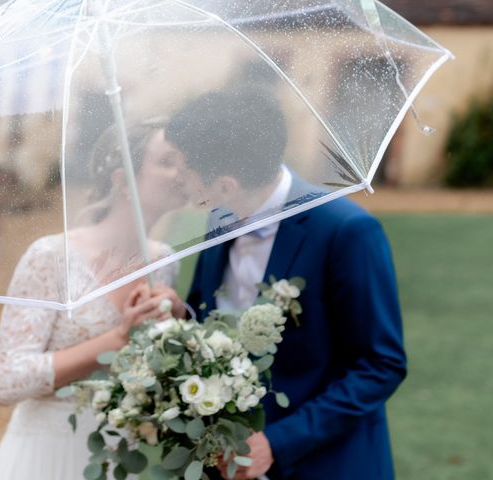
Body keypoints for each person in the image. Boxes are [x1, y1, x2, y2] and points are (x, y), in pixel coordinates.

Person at [165, 88, 407, 479]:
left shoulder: (347, 232)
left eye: (182, 167)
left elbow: (381, 364)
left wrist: (278, 442)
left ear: (226, 185)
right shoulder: (217, 220)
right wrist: (181, 315)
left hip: (326, 464)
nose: (176, 177)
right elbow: (210, 314)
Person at [0, 121, 188, 480]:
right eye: (168, 161)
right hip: (45, 455)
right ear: (122, 180)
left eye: (186, 162)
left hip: (119, 457)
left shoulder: (166, 262)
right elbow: (7, 380)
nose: (182, 172)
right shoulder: (51, 256)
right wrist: (117, 340)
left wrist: (178, 323)